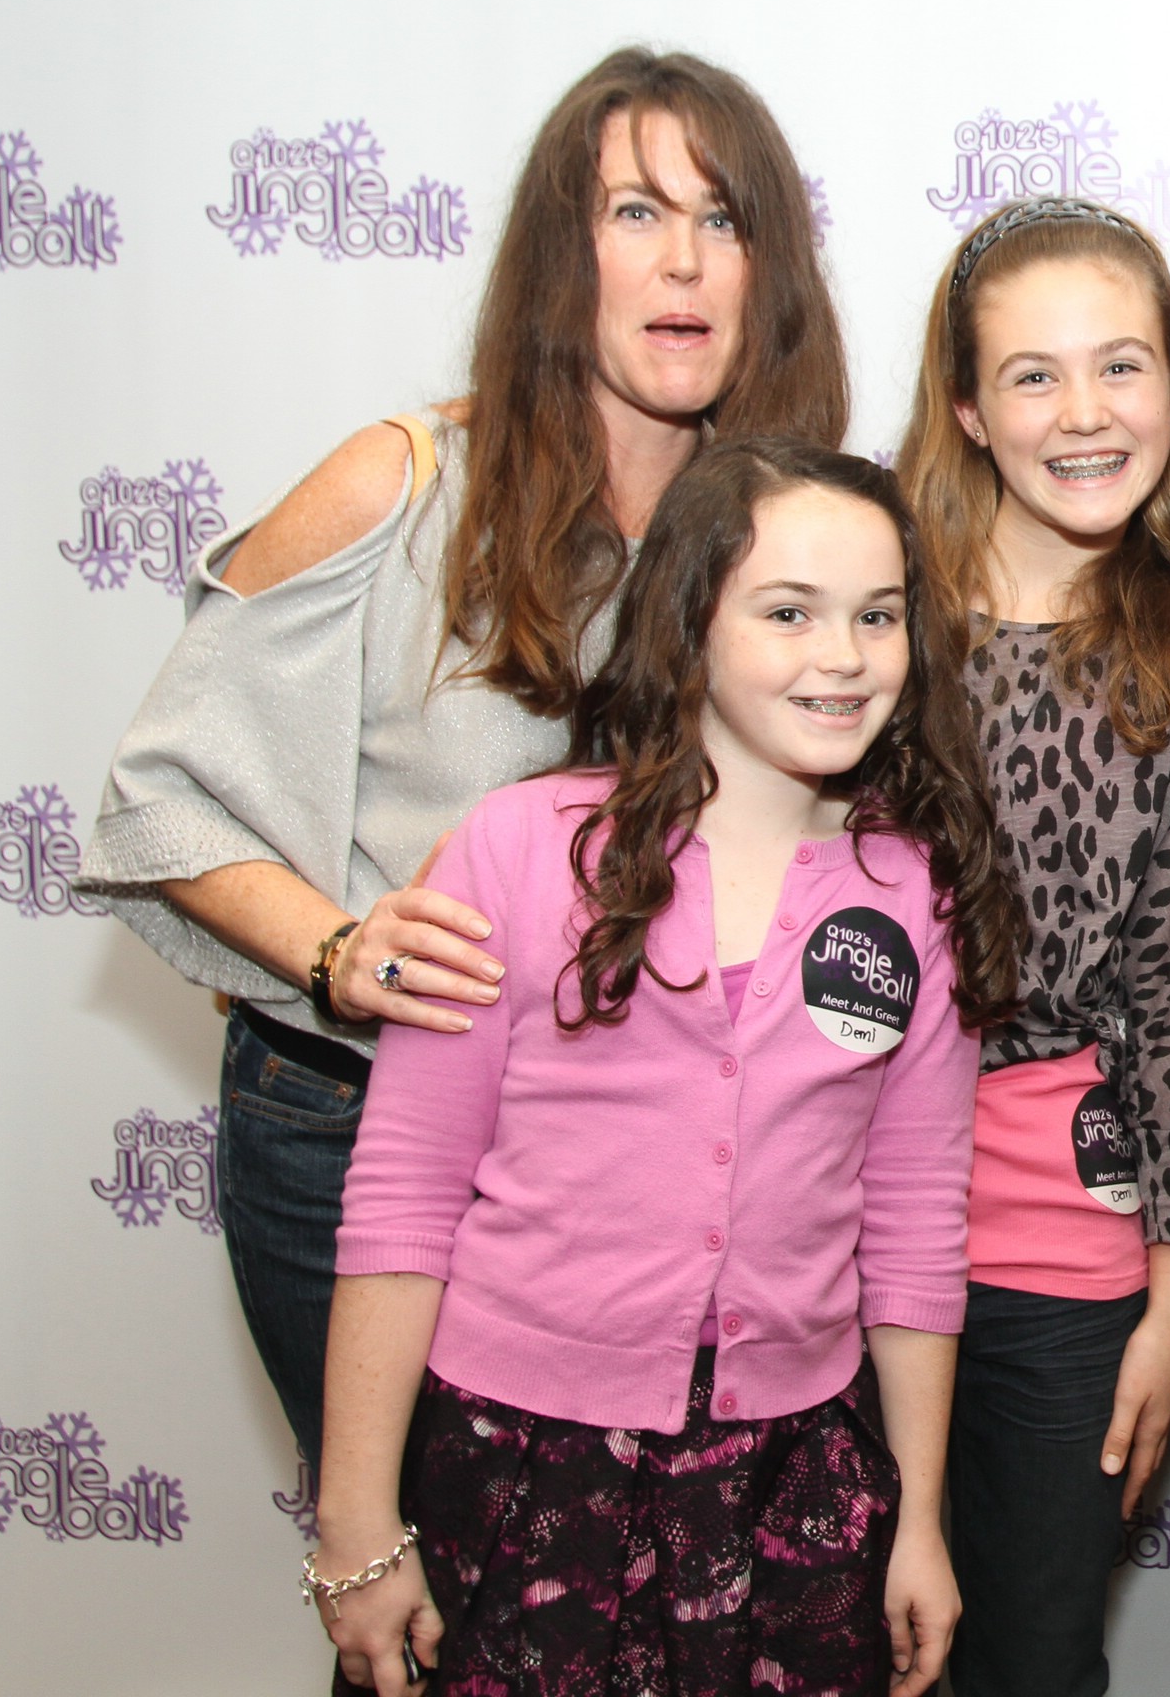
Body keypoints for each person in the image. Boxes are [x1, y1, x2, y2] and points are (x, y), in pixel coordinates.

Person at [78, 49, 850, 1482]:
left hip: (612, 1146)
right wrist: (336, 951)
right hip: (352, 1120)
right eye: (635, 212)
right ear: (565, 254)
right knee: (393, 1555)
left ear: (771, 271)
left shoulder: (785, 537)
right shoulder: (406, 483)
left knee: (555, 1574)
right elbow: (160, 797)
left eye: (724, 218)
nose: (683, 261)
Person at [307, 439, 1025, 1694]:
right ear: (690, 619)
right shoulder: (519, 848)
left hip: (797, 1471)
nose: (843, 654)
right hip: (522, 1458)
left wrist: (917, 1515)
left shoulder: (915, 891)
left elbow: (915, 1221)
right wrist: (355, 1519)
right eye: (788, 611)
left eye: (878, 615)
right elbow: (405, 1196)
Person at [893, 196, 1170, 1697]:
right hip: (835, 1207)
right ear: (969, 408)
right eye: (1033, 374)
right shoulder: (873, 617)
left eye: (1120, 365)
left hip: (1063, 1235)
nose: (1084, 413)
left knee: (1031, 1657)